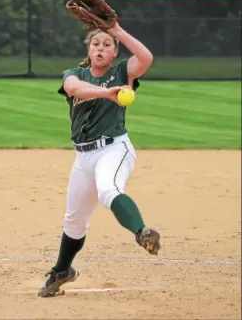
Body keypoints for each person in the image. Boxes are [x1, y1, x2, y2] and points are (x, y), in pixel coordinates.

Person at [38, 22, 161, 297]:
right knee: (74, 221)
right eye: (96, 44)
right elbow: (75, 88)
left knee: (109, 189)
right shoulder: (75, 74)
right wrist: (108, 93)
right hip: (83, 157)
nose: (101, 48)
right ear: (89, 49)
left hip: (114, 149)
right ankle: (62, 271)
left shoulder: (121, 71)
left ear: (115, 50)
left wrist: (116, 29)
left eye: (107, 44)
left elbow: (146, 58)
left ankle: (142, 233)